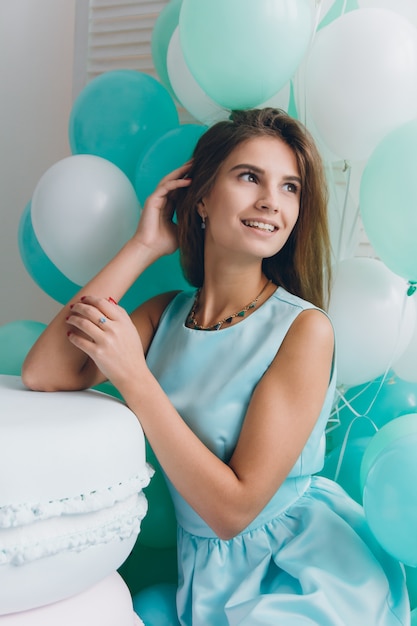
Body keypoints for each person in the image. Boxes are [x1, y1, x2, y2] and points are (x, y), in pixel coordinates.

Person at [22, 108, 409, 625]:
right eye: (250, 177)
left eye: (290, 187)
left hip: (297, 571)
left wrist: (135, 378)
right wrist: (144, 245)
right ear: (201, 198)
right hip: (204, 578)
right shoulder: (166, 314)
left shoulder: (304, 330)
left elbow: (233, 512)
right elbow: (46, 371)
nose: (272, 201)